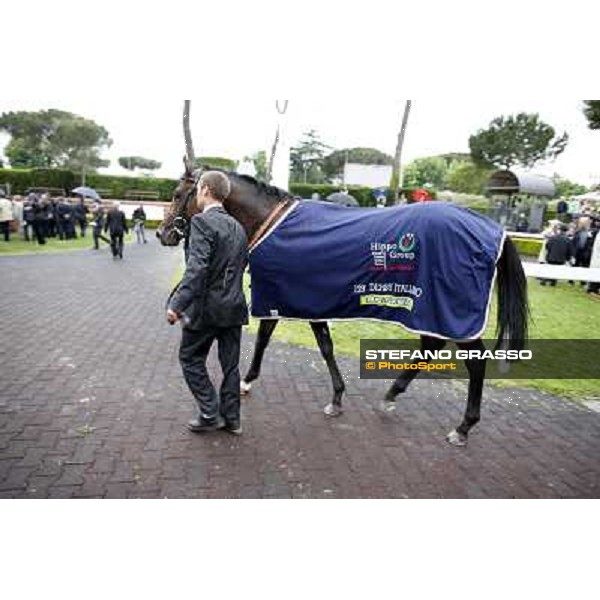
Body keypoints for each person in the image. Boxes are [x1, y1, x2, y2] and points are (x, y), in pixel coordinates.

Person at [167, 171, 249, 436]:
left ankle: (209, 412)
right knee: (231, 367)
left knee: (190, 358)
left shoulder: (201, 222)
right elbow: (241, 265)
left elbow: (197, 269)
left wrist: (177, 304)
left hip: (206, 309)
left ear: (204, 190)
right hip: (234, 307)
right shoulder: (238, 226)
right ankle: (233, 420)